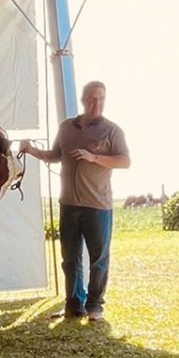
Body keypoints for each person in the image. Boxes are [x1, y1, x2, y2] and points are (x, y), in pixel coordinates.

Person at [20, 80, 131, 322]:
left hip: (97, 205)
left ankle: (95, 305)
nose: (96, 103)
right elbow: (55, 155)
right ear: (82, 99)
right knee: (70, 258)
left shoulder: (112, 131)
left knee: (98, 258)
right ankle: (73, 305)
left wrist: (93, 157)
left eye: (101, 98)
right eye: (92, 98)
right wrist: (32, 151)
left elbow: (124, 161)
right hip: (68, 204)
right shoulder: (67, 127)